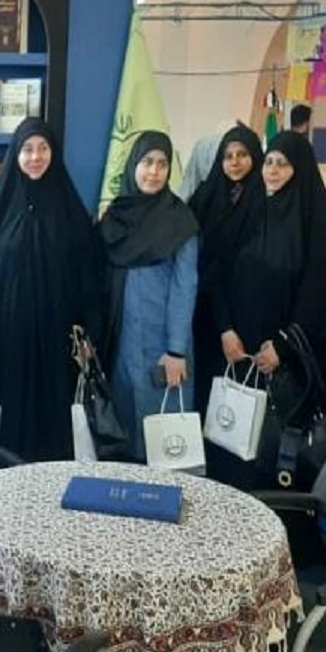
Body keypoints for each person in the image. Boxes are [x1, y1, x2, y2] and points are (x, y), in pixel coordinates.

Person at [0, 118, 104, 462]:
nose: (36, 157)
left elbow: (88, 276)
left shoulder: (70, 210)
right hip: (5, 336)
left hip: (57, 337)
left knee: (54, 419)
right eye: (27, 149)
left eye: (43, 148)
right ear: (15, 155)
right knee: (9, 414)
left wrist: (91, 332)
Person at [214, 131, 326, 488]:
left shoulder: (314, 230)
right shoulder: (248, 213)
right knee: (233, 447)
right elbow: (218, 272)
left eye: (282, 164)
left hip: (284, 363)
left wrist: (282, 347)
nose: (272, 170)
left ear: (299, 169)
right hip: (239, 352)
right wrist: (225, 328)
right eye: (268, 162)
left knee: (272, 456)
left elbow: (318, 296)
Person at [98, 131, 199, 461]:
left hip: (163, 348)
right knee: (124, 435)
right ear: (133, 166)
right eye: (147, 162)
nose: (154, 172)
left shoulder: (180, 221)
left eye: (162, 164)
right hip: (121, 344)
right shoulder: (115, 216)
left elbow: (185, 287)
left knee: (164, 447)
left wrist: (176, 350)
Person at [188, 124, 266, 412]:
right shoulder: (206, 196)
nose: (234, 162)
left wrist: (229, 325)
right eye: (228, 156)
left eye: (242, 154)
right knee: (204, 393)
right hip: (205, 310)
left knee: (237, 404)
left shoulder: (264, 202)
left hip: (244, 313)